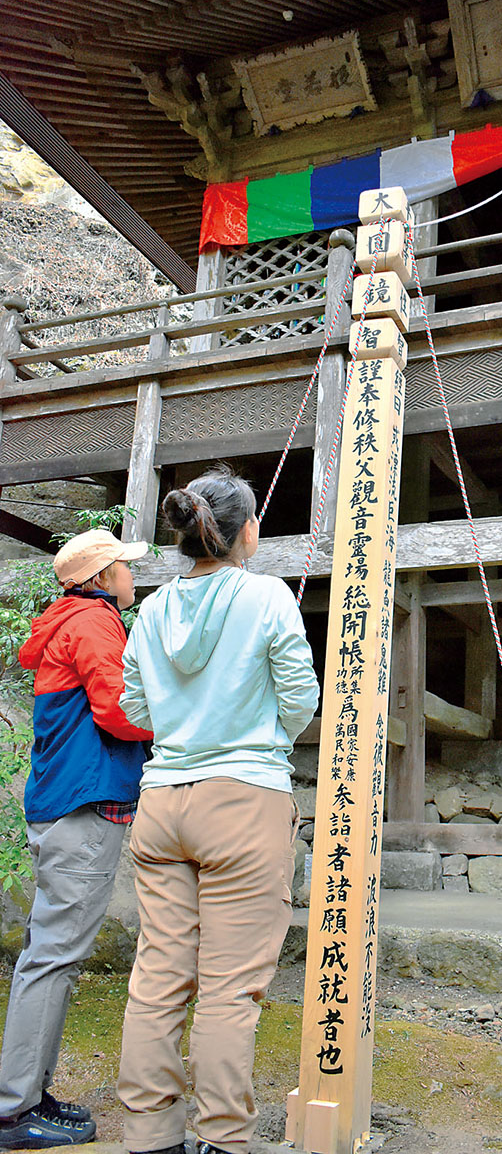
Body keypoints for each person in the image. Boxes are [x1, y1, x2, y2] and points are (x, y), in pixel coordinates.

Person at [116, 466, 319, 1154]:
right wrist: (257, 735)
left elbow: (135, 707)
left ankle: (149, 1135)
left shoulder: (149, 611)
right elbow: (299, 698)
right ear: (247, 533)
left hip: (162, 799)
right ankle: (222, 1137)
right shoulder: (265, 597)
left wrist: (185, 728)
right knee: (231, 989)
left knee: (159, 976)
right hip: (243, 799)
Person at [0, 529, 152, 1149]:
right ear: (101, 577)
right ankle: (15, 1110)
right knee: (53, 957)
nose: (131, 576)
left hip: (58, 804)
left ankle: (27, 1094)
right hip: (81, 809)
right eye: (124, 566)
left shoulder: (65, 619)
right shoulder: (93, 622)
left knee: (48, 953)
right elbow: (118, 712)